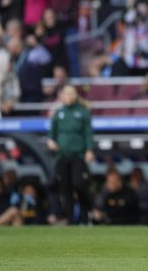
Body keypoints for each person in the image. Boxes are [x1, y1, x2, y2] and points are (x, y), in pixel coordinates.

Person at [47, 85, 95, 225]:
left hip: (78, 155)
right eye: (66, 93)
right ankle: (69, 219)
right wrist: (51, 141)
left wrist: (89, 149)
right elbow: (52, 134)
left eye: (71, 93)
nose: (69, 96)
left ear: (76, 95)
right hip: (62, 155)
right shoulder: (59, 113)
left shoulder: (82, 112)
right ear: (62, 95)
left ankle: (86, 214)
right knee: (64, 188)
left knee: (79, 184)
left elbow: (88, 133)